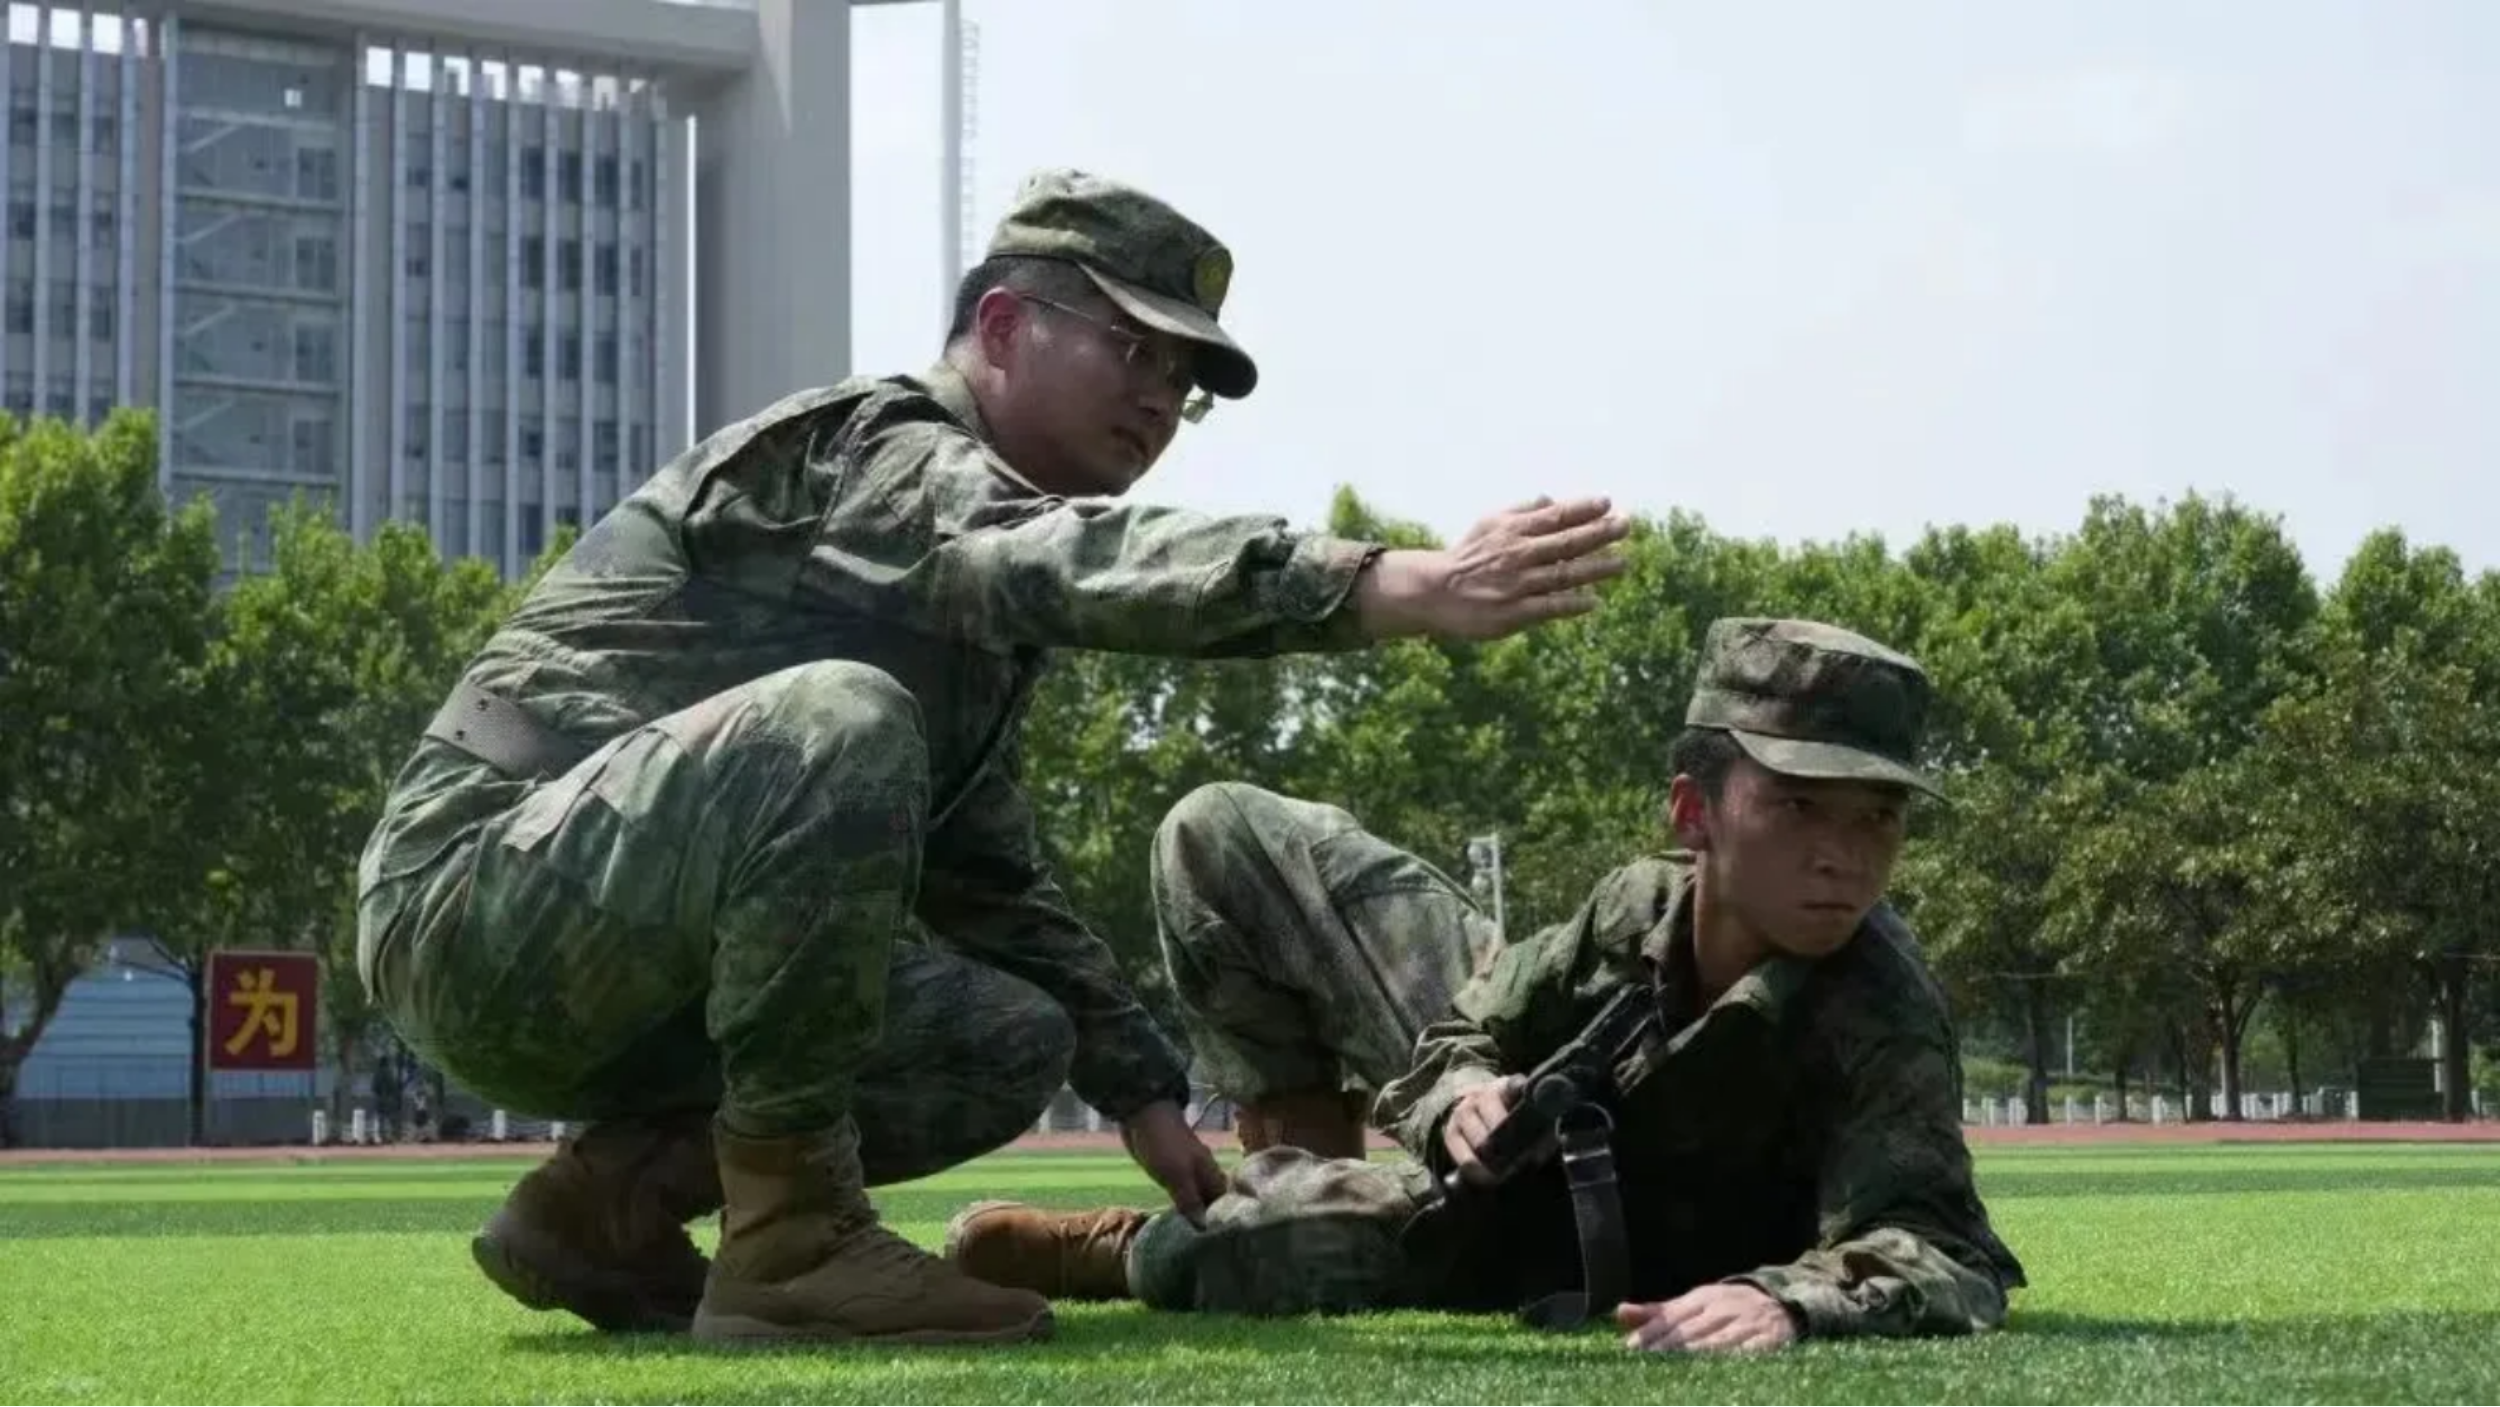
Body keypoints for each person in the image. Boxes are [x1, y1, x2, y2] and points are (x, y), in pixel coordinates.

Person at [351, 167, 1631, 1349]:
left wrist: (1139, 1091)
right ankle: (790, 1244)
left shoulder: (964, 617)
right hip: (476, 908)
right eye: (1133, 348)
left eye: (1181, 379)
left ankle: (602, 1209)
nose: (1159, 399)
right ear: (1006, 326)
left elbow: (988, 876)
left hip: (626, 951)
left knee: (1009, 1037)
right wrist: (1385, 582)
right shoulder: (873, 454)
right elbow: (1058, 557)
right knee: (840, 715)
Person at [943, 617, 2029, 1353]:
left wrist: (1781, 1300)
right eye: (1798, 805)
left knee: (1228, 1258)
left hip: (1590, 1239)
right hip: (1534, 1151)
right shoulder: (1633, 908)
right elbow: (1465, 1025)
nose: (1844, 855)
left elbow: (1940, 1247)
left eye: (1877, 816)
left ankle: (1152, 1239)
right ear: (1693, 813)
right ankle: (1285, 1173)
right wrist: (1462, 1094)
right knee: (1217, 832)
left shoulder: (1881, 1007)